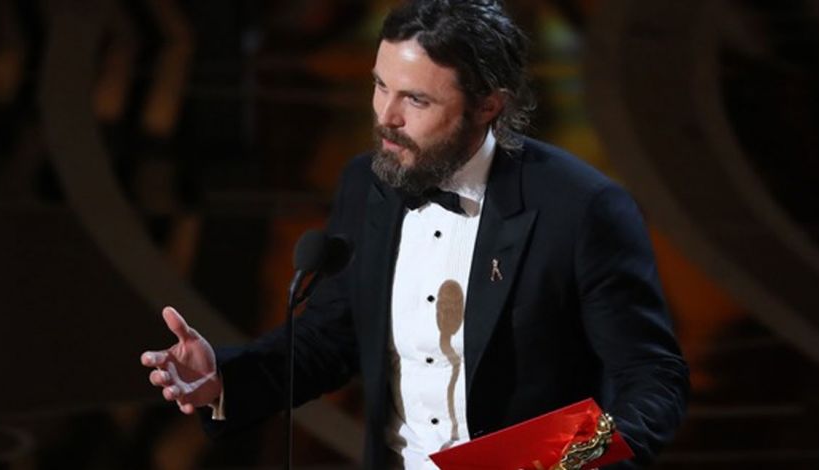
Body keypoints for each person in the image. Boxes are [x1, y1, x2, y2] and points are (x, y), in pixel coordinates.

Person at [141, 1, 689, 468]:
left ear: (487, 106)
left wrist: (549, 461)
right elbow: (330, 338)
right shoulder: (366, 184)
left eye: (417, 100)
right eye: (381, 87)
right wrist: (223, 379)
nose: (386, 116)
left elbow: (653, 382)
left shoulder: (582, 208)